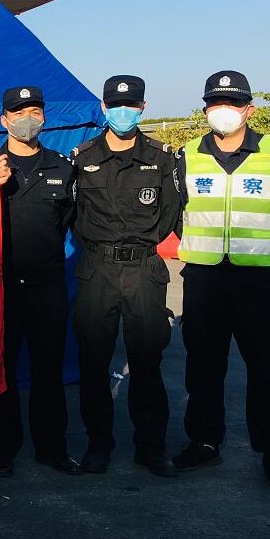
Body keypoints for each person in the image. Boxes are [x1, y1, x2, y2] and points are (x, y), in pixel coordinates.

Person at [172, 71, 270, 490]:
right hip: (205, 278)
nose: (224, 111)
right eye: (216, 103)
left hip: (259, 282)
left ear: (249, 109)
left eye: (232, 103)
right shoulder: (186, 155)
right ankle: (204, 442)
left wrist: (267, 248)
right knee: (203, 367)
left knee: (268, 368)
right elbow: (177, 213)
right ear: (205, 110)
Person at [71, 75, 181, 478]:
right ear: (104, 108)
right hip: (97, 269)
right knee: (93, 363)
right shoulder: (81, 158)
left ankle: (150, 448)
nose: (123, 112)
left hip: (143, 270)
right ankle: (98, 446)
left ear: (142, 108)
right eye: (116, 105)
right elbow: (73, 214)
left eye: (131, 105)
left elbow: (169, 214)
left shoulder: (161, 157)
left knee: (147, 363)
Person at [0, 86, 82, 478]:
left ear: (44, 118)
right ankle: (3, 449)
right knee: (1, 371)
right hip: (0, 286)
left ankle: (52, 448)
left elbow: (67, 222)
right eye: (18, 113)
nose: (27, 119)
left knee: (48, 370)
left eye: (35, 112)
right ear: (3, 120)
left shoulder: (62, 167)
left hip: (46, 286)